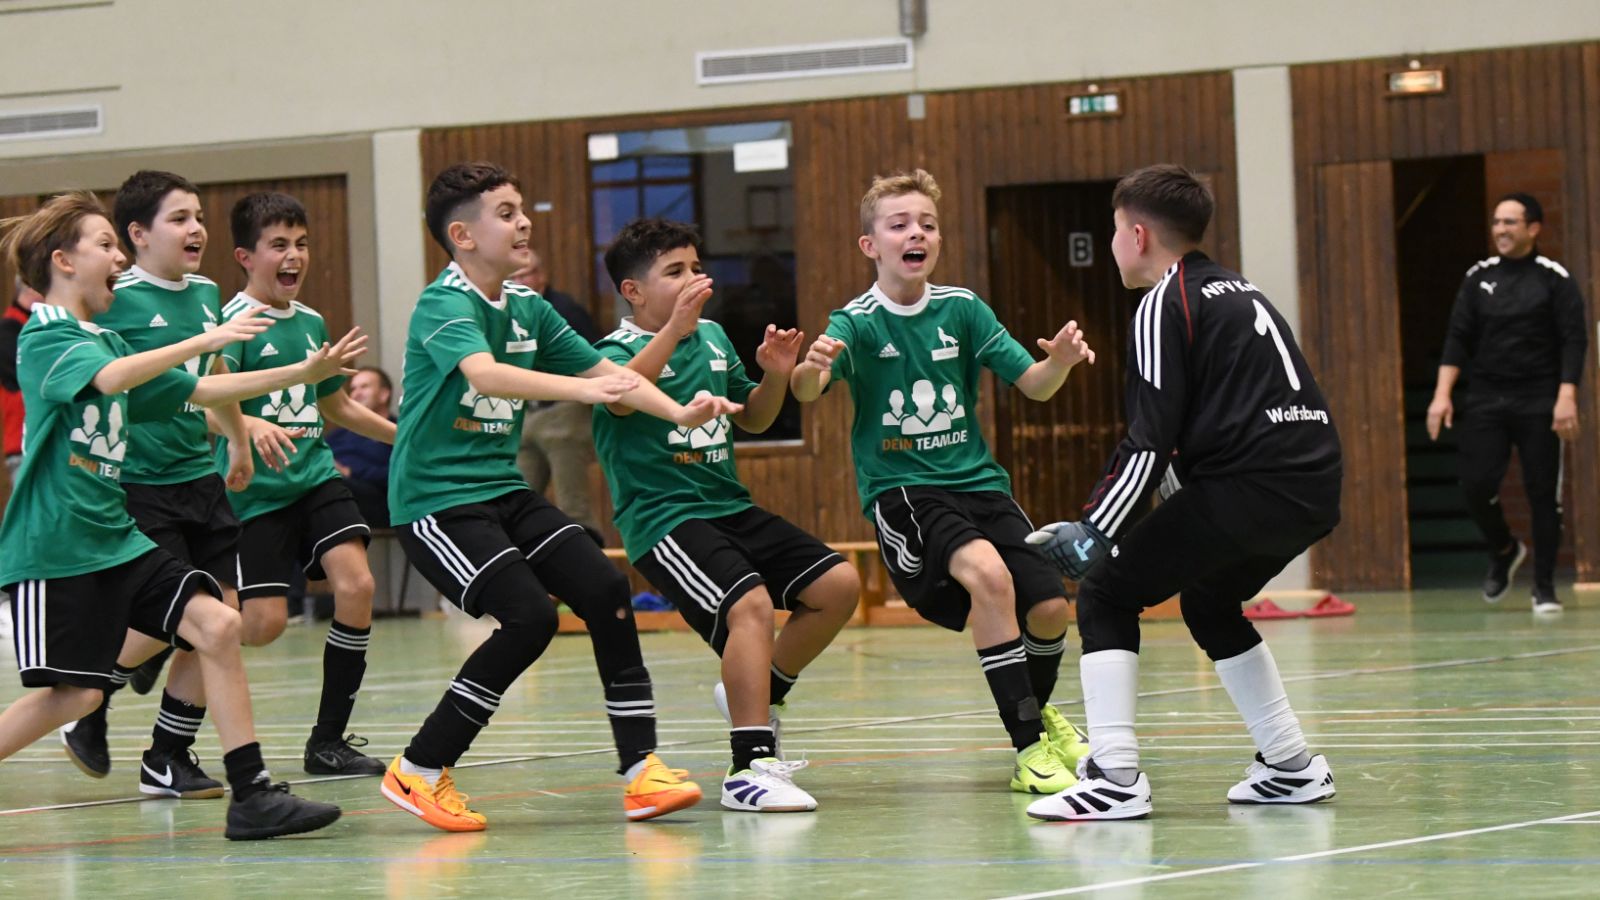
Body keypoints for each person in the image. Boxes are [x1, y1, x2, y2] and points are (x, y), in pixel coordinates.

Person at [379, 162, 740, 832]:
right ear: (463, 235)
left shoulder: (530, 308)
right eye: (506, 213)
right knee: (529, 618)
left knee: (604, 588)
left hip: (501, 489)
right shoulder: (444, 303)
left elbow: (614, 375)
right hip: (436, 502)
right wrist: (584, 389)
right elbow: (486, 376)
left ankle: (641, 771)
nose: (524, 222)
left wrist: (678, 413)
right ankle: (420, 768)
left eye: (522, 209)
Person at [0, 191, 353, 839]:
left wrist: (302, 372)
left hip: (117, 538)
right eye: (104, 245)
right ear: (63, 262)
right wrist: (207, 337)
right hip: (56, 548)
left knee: (218, 624)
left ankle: (252, 795)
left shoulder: (106, 338)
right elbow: (112, 380)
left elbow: (199, 390)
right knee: (76, 696)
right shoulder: (46, 335)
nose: (118, 258)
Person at [1024, 164, 1342, 821]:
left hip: (1248, 486)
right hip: (1313, 487)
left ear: (1138, 235)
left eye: (1115, 230)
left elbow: (1150, 440)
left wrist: (1094, 530)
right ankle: (1291, 765)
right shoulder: (1242, 292)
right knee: (1209, 600)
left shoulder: (1163, 303)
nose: (1114, 243)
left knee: (1106, 591)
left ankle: (1114, 777)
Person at [790, 169, 1094, 796]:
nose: (916, 234)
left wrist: (1059, 362)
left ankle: (1038, 715)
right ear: (870, 245)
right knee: (989, 578)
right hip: (906, 490)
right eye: (899, 224)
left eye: (927, 224)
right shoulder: (855, 321)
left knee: (1049, 609)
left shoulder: (964, 309)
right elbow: (808, 389)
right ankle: (1028, 747)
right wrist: (807, 369)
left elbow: (1035, 385)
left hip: (980, 484)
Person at [592, 218, 860, 812]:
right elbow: (624, 396)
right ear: (633, 291)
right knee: (751, 605)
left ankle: (760, 689)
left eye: (696, 266)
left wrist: (775, 374)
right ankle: (749, 768)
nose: (694, 278)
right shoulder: (610, 355)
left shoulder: (712, 337)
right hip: (664, 519)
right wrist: (674, 330)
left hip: (729, 506)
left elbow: (755, 418)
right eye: (674, 271)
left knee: (838, 585)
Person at [60, 170, 298, 799]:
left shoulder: (206, 292)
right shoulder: (115, 299)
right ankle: (88, 697)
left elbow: (210, 374)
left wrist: (238, 438)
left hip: (199, 477)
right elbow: (118, 384)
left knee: (223, 618)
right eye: (179, 218)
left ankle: (166, 756)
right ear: (137, 235)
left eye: (198, 217)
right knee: (191, 619)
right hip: (138, 484)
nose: (196, 229)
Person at [216, 192, 399, 776]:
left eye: (301, 244)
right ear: (246, 256)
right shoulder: (230, 325)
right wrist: (247, 424)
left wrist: (403, 438)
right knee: (262, 626)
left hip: (315, 478)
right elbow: (204, 403)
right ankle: (178, 633)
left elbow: (336, 406)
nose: (294, 255)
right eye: (278, 245)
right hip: (255, 492)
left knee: (358, 584)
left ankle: (328, 741)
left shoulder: (312, 321)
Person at [1425, 192, 1588, 614]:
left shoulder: (1554, 278)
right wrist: (1441, 395)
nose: (1500, 229)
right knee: (1475, 485)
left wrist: (1566, 396)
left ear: (1533, 228)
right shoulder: (1478, 278)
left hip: (1540, 400)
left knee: (1543, 495)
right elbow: (1457, 338)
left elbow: (1574, 339)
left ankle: (1544, 588)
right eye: (1497, 221)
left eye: (1510, 222)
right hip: (1487, 399)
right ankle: (1503, 549)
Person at [512, 251, 602, 532]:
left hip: (564, 412)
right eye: (513, 277)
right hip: (527, 411)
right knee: (516, 499)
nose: (520, 282)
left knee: (572, 504)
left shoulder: (564, 310)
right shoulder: (509, 312)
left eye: (525, 274)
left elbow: (595, 359)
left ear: (541, 276)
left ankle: (585, 555)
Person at [327, 366, 395, 527]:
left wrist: (349, 471)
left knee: (334, 486)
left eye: (364, 387)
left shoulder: (397, 431)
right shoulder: (337, 435)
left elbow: (402, 474)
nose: (356, 394)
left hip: (378, 500)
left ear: (384, 394)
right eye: (353, 389)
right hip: (337, 492)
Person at [0, 276, 41, 480]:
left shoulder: (34, 325)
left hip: (39, 441)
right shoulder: (9, 329)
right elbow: (28, 379)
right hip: (23, 442)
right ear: (31, 288)